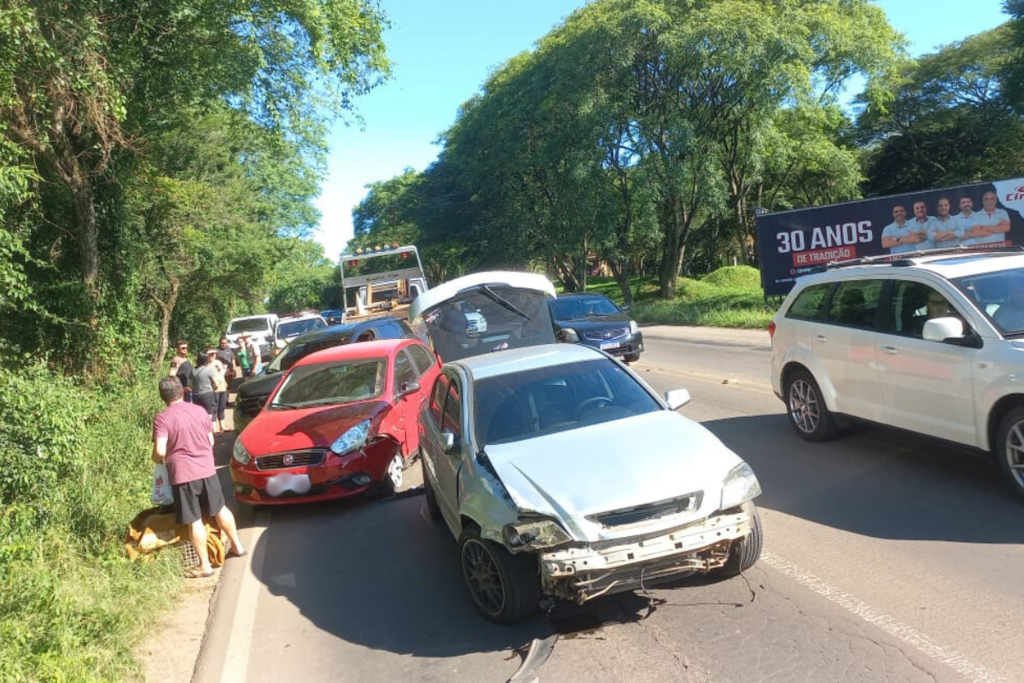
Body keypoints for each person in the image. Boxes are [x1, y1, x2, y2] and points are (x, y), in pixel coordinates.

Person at [152, 376, 245, 578]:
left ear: (162, 397)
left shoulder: (163, 418)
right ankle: (237, 546)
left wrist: (161, 458)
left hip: (182, 475)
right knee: (220, 508)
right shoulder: (200, 411)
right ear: (183, 392)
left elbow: (160, 451)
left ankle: (205, 565)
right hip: (207, 468)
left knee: (194, 520)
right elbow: (211, 440)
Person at [191, 352, 218, 427]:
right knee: (209, 414)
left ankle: (200, 429)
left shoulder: (193, 370)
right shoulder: (208, 370)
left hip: (195, 395)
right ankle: (208, 431)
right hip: (207, 394)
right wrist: (215, 388)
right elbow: (216, 383)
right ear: (206, 360)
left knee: (199, 414)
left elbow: (190, 385)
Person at [208, 349, 229, 434]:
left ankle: (222, 426)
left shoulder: (218, 362)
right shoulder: (206, 365)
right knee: (214, 408)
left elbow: (222, 372)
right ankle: (214, 428)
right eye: (211, 354)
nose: (213, 355)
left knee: (222, 406)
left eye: (214, 353)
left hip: (222, 387)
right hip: (213, 389)